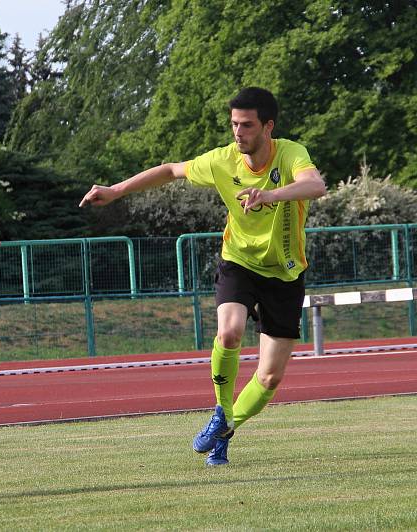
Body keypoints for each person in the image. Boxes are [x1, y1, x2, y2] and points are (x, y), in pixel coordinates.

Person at [79, 87, 326, 466]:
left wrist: (270, 194)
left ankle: (226, 429)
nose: (238, 133)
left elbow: (316, 186)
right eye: (233, 124)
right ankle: (220, 413)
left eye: (246, 125)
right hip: (239, 262)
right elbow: (170, 170)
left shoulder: (291, 153)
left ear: (268, 127)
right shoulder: (222, 161)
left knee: (269, 379)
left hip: (285, 273)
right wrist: (115, 190)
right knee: (229, 331)